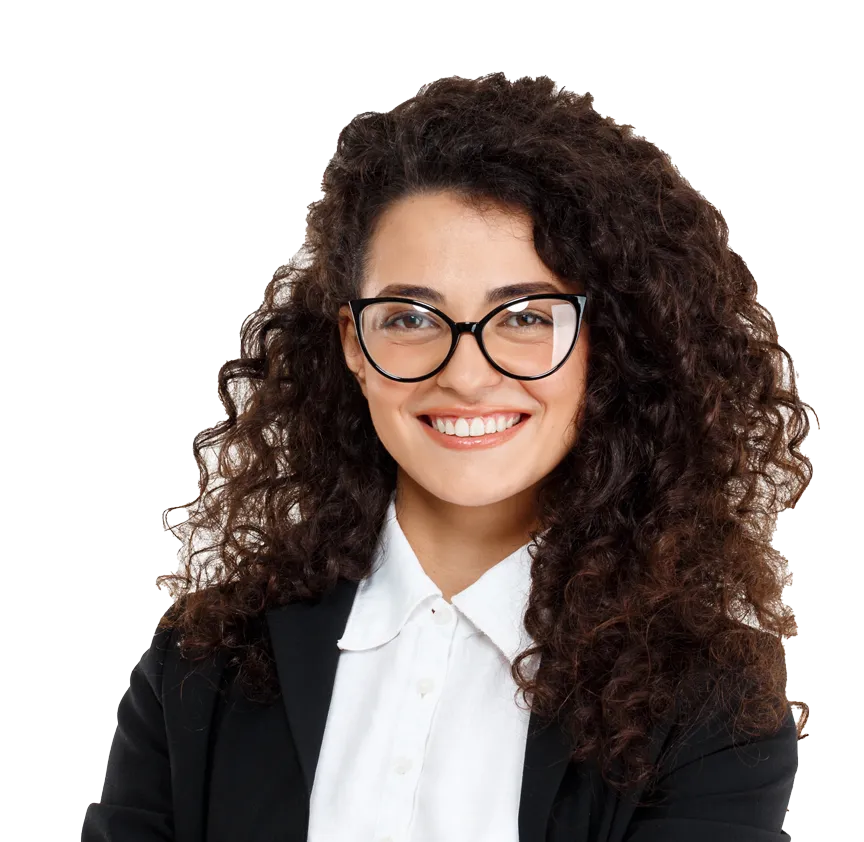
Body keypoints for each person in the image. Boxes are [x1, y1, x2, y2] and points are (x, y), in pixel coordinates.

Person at [82, 73, 810, 841]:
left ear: (608, 343)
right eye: (409, 318)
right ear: (353, 344)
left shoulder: (712, 701)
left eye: (526, 316)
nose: (465, 375)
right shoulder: (203, 662)